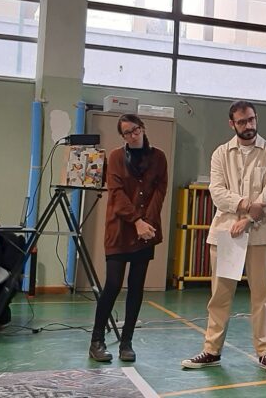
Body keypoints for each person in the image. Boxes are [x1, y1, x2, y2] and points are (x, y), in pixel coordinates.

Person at [181, 101, 266, 374]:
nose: (248, 125)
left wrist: (249, 218)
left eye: (251, 119)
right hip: (227, 233)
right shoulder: (220, 154)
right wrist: (245, 205)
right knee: (220, 294)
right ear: (232, 124)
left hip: (262, 233)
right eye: (242, 122)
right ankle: (212, 350)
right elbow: (217, 191)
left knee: (262, 295)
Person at [89, 114, 169, 363]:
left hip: (146, 232)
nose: (133, 135)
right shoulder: (115, 157)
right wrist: (136, 221)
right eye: (127, 133)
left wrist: (148, 222)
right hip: (120, 230)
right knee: (113, 284)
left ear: (143, 128)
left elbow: (160, 191)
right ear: (122, 136)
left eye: (135, 130)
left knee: (136, 287)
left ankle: (127, 343)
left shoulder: (159, 157)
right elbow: (116, 193)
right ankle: (96, 341)